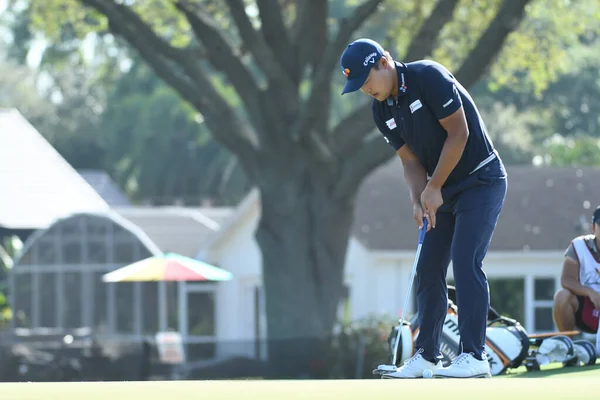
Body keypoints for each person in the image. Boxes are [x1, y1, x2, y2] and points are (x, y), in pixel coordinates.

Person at [340, 38, 507, 378]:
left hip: (481, 181)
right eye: (358, 86)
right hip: (441, 191)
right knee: (428, 268)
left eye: (366, 80)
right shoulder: (381, 109)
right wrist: (418, 198)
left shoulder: (428, 76)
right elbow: (410, 160)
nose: (365, 90)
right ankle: (427, 356)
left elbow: (458, 135)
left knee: (464, 260)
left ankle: (474, 356)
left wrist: (433, 188)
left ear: (384, 63)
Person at [553, 206, 600, 338]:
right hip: (586, 309)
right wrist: (591, 293)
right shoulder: (579, 246)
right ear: (593, 227)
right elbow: (566, 279)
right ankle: (568, 346)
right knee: (562, 296)